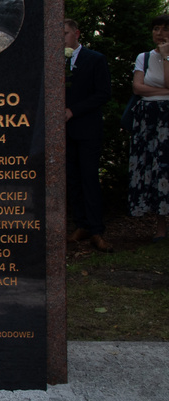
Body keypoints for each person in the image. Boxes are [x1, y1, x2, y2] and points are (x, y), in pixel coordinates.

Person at [64, 18, 113, 251]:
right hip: (63, 132)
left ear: (76, 34)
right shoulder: (54, 61)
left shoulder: (95, 59)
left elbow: (103, 93)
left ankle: (96, 230)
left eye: (64, 33)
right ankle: (80, 225)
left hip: (87, 129)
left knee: (89, 178)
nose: (61, 38)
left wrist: (74, 110)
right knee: (71, 179)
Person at [128, 14, 169, 243]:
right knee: (154, 170)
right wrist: (163, 93)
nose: (159, 33)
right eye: (156, 28)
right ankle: (160, 225)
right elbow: (137, 88)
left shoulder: (166, 56)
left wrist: (166, 57)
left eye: (164, 29)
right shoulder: (143, 58)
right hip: (149, 120)